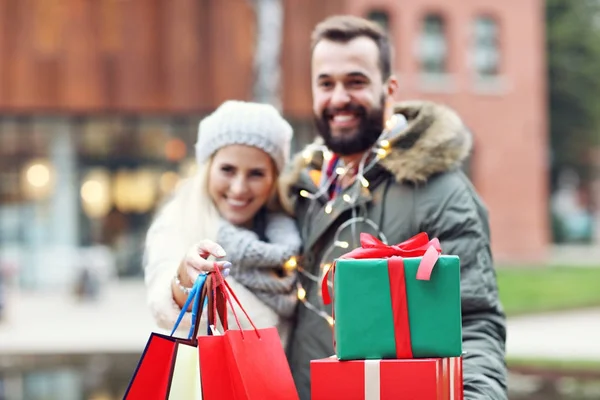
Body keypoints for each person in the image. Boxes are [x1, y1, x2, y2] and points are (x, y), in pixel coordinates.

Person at [278, 15, 508, 400]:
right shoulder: (303, 190)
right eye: (326, 83)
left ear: (390, 88)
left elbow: (474, 321)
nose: (338, 99)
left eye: (356, 82)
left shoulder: (441, 191)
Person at [144, 100, 301, 343]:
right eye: (227, 170)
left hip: (278, 381)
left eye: (256, 174)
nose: (239, 188)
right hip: (206, 380)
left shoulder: (289, 236)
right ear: (208, 168)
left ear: (274, 179)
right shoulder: (179, 221)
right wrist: (186, 278)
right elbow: (162, 307)